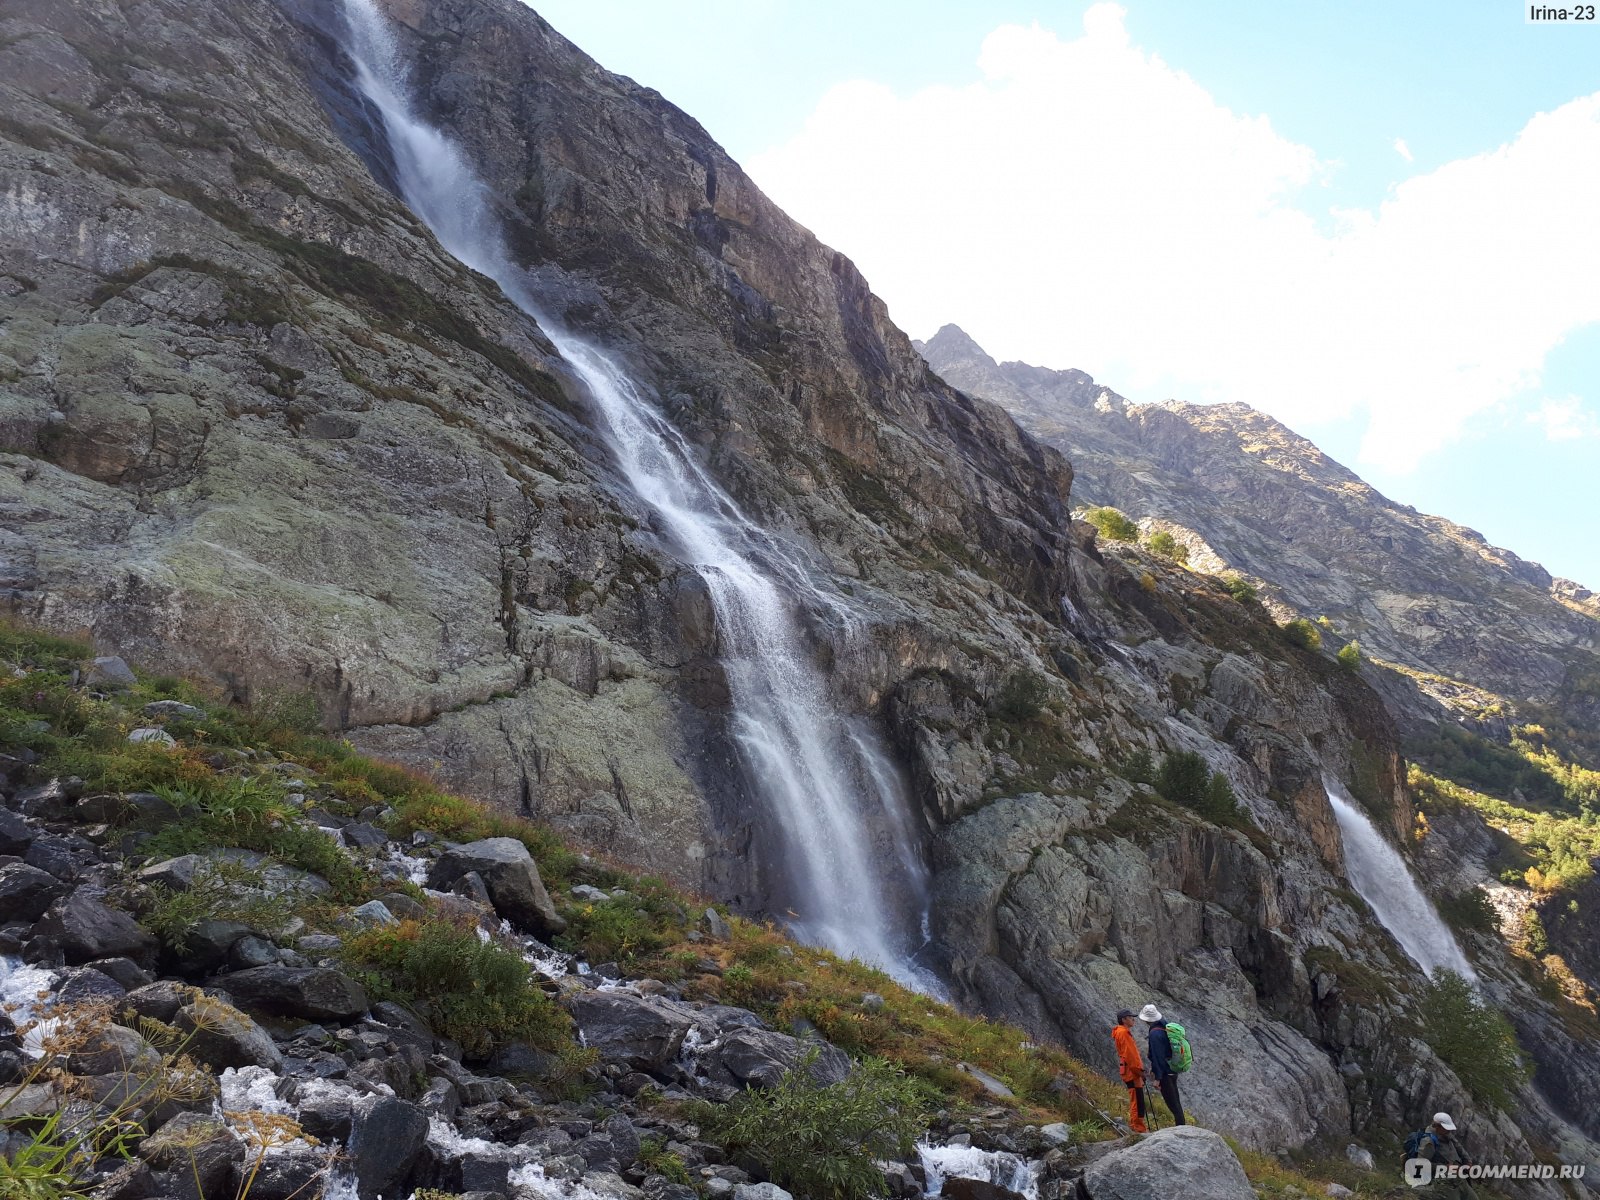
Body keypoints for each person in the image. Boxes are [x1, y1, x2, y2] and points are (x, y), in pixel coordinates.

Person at [1139, 1003, 1186, 1126]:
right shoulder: (1165, 1026)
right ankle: (1181, 1126)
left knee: (1173, 1104)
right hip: (1172, 1069)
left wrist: (1157, 1078)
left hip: (1165, 1073)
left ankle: (1181, 1129)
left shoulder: (1154, 1034)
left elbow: (1157, 1057)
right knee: (1176, 1101)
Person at [1414, 1112, 1477, 1199]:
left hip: (1458, 1178)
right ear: (1437, 1126)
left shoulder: (1447, 1135)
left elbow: (1460, 1148)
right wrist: (1444, 1167)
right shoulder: (1428, 1141)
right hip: (1443, 1181)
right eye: (1446, 1128)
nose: (1449, 1131)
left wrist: (1468, 1161)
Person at [1111, 1009, 1148, 1133]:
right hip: (1131, 1071)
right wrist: (1140, 1071)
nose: (1133, 1019)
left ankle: (1136, 1125)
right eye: (1130, 1017)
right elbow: (1130, 1055)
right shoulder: (1124, 1033)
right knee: (1137, 1098)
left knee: (1136, 1097)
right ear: (1124, 1020)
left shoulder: (1121, 1032)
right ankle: (1137, 1127)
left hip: (1128, 1070)